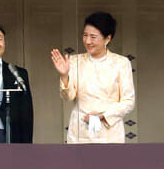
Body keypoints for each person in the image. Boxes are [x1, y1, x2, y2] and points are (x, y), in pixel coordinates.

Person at [49, 12, 135, 144]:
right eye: (85, 35)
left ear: (107, 39)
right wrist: (64, 75)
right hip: (80, 133)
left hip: (110, 134)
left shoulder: (121, 63)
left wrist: (101, 116)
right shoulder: (74, 61)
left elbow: (128, 101)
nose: (88, 41)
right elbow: (68, 97)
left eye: (93, 37)